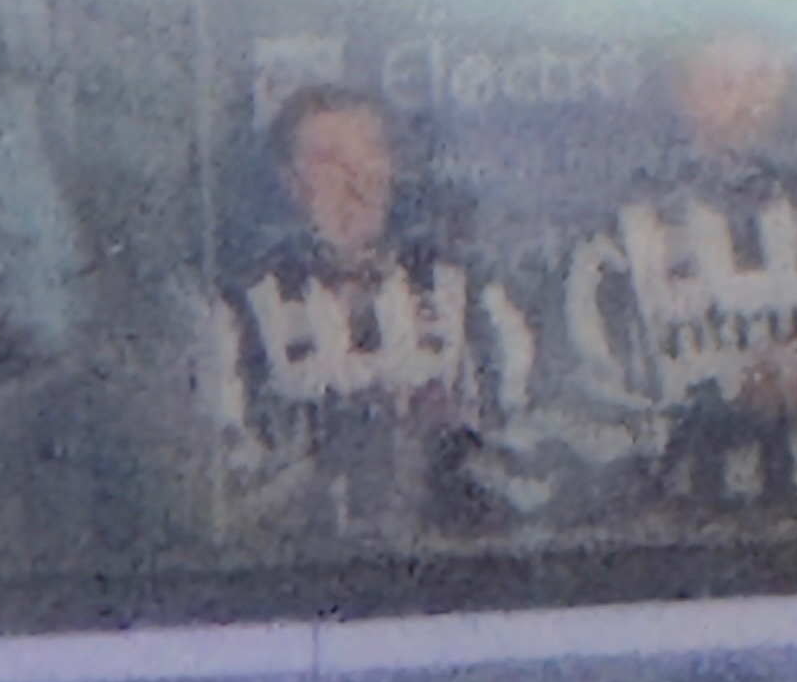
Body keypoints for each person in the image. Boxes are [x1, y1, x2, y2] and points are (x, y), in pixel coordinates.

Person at [560, 31, 797, 523]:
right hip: (677, 546)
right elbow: (590, 432)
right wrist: (726, 403)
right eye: (726, 83)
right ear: (681, 94)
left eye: (762, 80)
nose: (751, 103)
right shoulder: (620, 249)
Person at [192, 85, 547, 549]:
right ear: (290, 182)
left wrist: (453, 447)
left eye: (371, 154)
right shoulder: (241, 312)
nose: (358, 179)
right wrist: (318, 466)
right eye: (330, 160)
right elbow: (221, 500)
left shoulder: (466, 292)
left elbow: (526, 453)